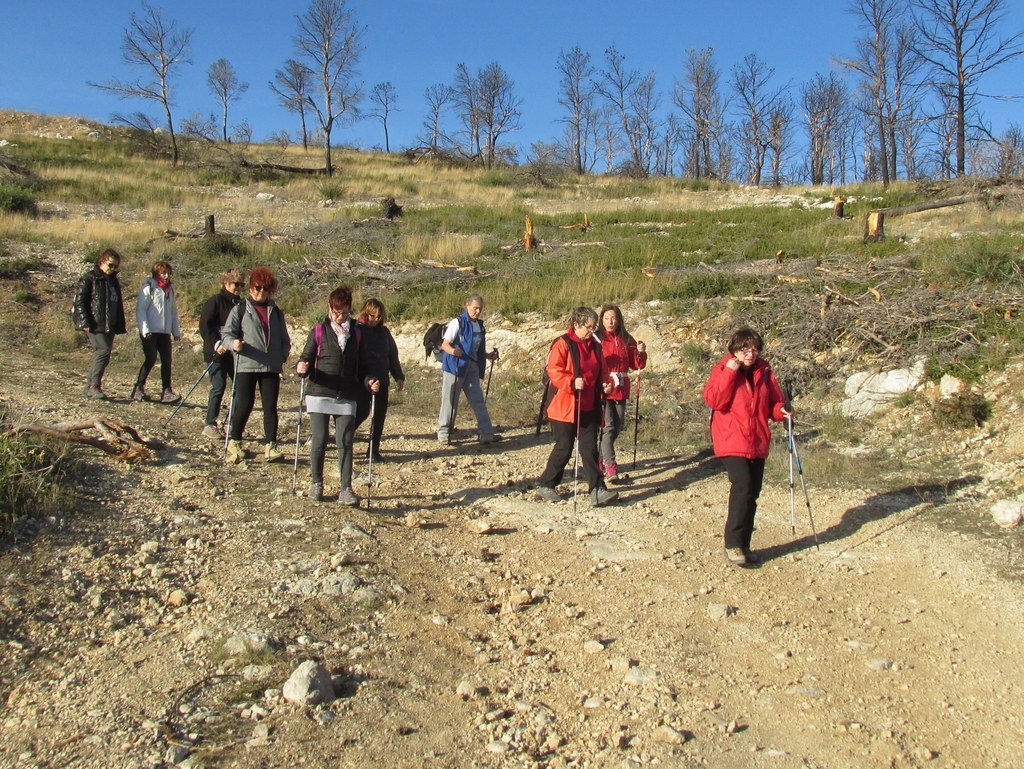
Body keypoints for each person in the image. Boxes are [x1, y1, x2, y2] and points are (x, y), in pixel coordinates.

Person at [702, 327, 790, 567]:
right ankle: (732, 544)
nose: (750, 353)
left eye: (754, 348)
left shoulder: (764, 370)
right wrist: (729, 374)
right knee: (743, 486)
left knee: (753, 492)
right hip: (731, 438)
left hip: (757, 438)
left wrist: (781, 411)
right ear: (735, 350)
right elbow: (715, 400)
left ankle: (744, 544)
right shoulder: (722, 369)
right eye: (745, 349)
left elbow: (773, 403)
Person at [296, 287, 380, 505]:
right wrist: (302, 366)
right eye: (335, 312)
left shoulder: (357, 334)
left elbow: (363, 367)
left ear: (349, 310)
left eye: (343, 312)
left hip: (346, 394)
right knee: (320, 439)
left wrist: (369, 379)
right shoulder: (318, 332)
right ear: (329, 309)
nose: (339, 317)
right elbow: (306, 356)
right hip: (319, 392)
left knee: (345, 440)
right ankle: (316, 483)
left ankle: (346, 489)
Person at [535, 307, 618, 507]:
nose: (592, 330)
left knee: (589, 449)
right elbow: (553, 370)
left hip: (588, 405)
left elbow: (603, 372)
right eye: (588, 327)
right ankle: (547, 484)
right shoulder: (563, 344)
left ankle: (597, 490)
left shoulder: (595, 346)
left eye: (594, 327)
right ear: (577, 325)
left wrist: (606, 384)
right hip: (564, 406)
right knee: (564, 447)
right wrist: (571, 382)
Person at [221, 267, 291, 464]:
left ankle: (271, 445)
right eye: (257, 288)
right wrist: (233, 344)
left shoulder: (276, 312)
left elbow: (285, 339)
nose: (261, 292)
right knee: (244, 403)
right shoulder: (240, 309)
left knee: (270, 407)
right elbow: (227, 334)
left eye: (265, 289)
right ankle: (234, 441)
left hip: (271, 367)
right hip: (246, 364)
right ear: (250, 288)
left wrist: (283, 356)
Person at [437, 293, 500, 444]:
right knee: (450, 400)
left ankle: (486, 433)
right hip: (455, 366)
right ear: (467, 306)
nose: (478, 311)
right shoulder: (457, 323)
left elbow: (475, 349)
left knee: (478, 399)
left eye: (480, 308)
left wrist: (487, 355)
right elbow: (444, 344)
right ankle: (444, 432)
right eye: (475, 308)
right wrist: (453, 351)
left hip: (471, 367)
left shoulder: (479, 325)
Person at [594, 304, 647, 483]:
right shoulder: (597, 338)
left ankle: (600, 458)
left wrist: (640, 353)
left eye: (613, 318)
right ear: (601, 320)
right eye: (607, 318)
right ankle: (610, 466)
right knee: (607, 426)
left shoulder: (626, 338)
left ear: (619, 320)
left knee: (617, 426)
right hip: (604, 386)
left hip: (621, 386)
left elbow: (636, 364)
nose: (610, 321)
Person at [72, 248, 127, 399]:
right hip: (95, 323)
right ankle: (94, 386)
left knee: (104, 354)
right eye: (110, 265)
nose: (113, 269)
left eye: (116, 266)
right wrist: (84, 321)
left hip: (109, 323)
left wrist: (119, 323)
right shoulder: (90, 278)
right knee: (102, 351)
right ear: (102, 262)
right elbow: (80, 301)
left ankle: (89, 386)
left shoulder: (113, 280)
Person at [198, 269, 246, 440]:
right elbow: (205, 326)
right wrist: (217, 343)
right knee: (218, 386)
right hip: (216, 351)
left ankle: (233, 424)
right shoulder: (216, 301)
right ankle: (210, 424)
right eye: (235, 284)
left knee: (239, 388)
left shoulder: (241, 304)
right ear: (225, 283)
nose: (239, 288)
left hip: (234, 353)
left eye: (241, 284)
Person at [355, 298, 405, 461]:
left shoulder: (384, 332)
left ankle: (373, 450)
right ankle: (345, 436)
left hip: (382, 379)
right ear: (365, 313)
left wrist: (398, 375)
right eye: (372, 316)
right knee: (362, 411)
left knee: (379, 415)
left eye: (378, 317)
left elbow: (392, 355)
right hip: (362, 380)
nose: (375, 320)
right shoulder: (356, 330)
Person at [132, 260, 181, 403]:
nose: (166, 276)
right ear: (156, 274)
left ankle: (167, 391)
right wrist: (145, 329)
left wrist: (175, 331)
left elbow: (173, 311)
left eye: (168, 273)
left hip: (164, 331)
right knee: (151, 359)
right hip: (150, 331)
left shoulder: (169, 289)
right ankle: (138, 388)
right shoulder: (149, 287)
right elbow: (141, 309)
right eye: (163, 273)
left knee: (167, 360)